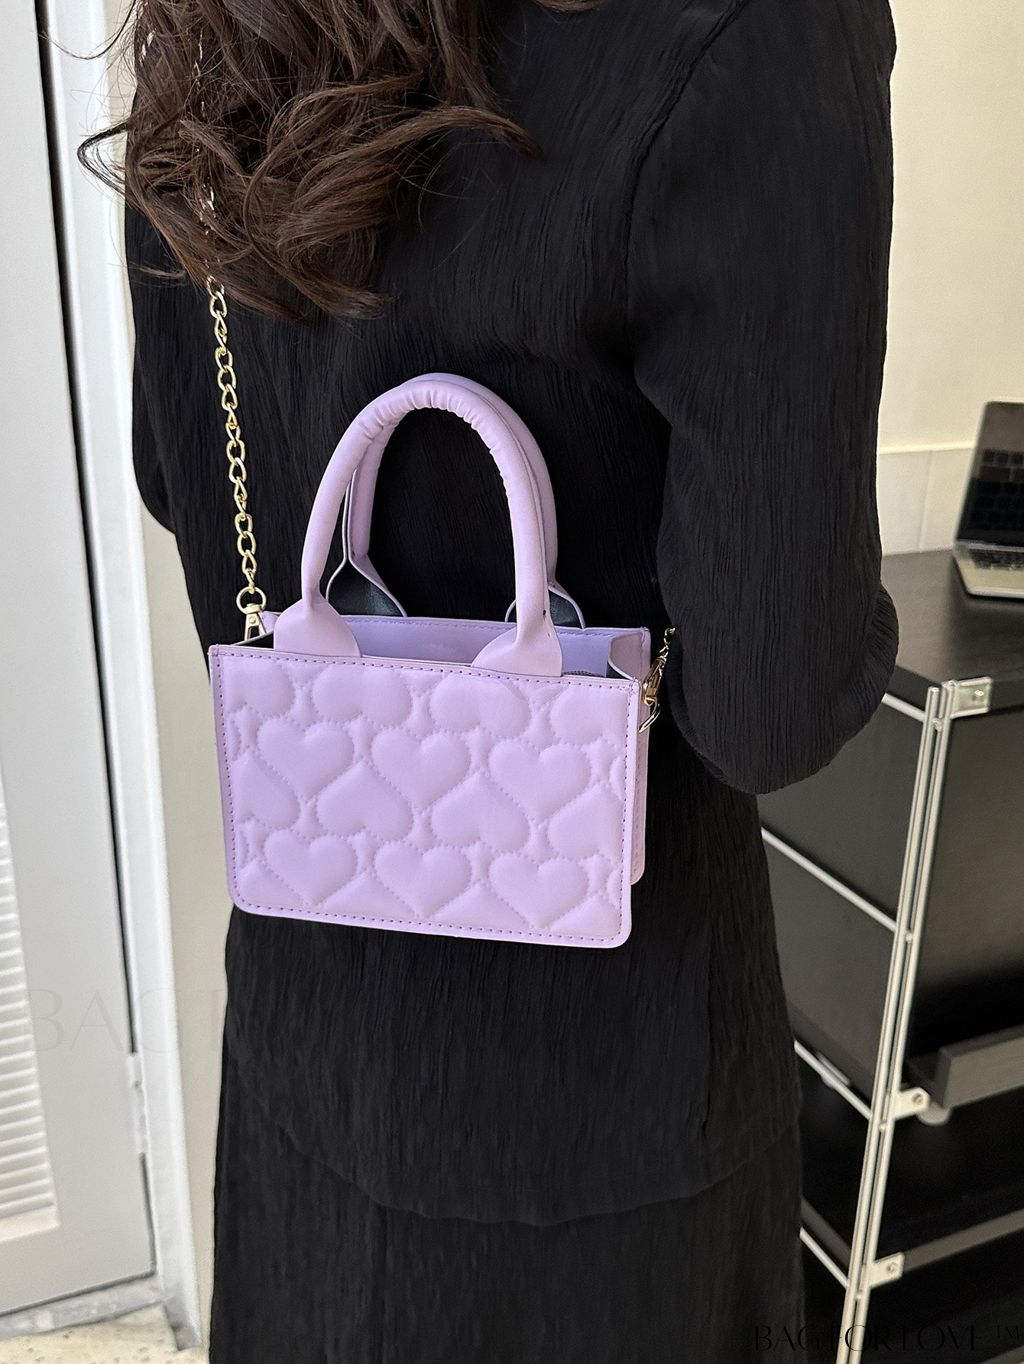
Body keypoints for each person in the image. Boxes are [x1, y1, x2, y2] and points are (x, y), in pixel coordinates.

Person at [95, 0, 899, 1357]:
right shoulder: (750, 32)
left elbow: (181, 482)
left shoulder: (216, 39)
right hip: (607, 1122)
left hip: (304, 1040)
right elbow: (773, 705)